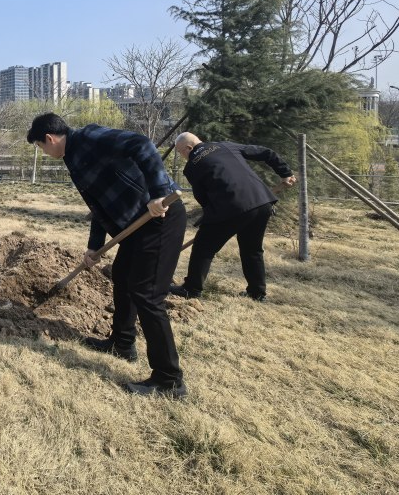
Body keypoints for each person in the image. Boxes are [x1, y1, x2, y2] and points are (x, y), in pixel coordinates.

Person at [28, 112, 188, 398]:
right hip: (135, 227)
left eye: (41, 147)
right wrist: (94, 245)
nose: (43, 151)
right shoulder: (72, 158)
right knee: (123, 277)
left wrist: (159, 192)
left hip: (160, 217)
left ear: (50, 139)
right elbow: (98, 204)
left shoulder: (90, 137)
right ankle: (122, 343)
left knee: (147, 294)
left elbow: (142, 145)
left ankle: (169, 379)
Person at [169, 132, 296, 302]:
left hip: (231, 208)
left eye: (180, 152)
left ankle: (191, 289)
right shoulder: (225, 146)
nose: (182, 156)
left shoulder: (192, 166)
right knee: (252, 250)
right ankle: (257, 293)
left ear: (189, 148)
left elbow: (203, 198)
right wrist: (285, 173)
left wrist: (210, 218)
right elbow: (266, 153)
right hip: (262, 202)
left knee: (203, 248)